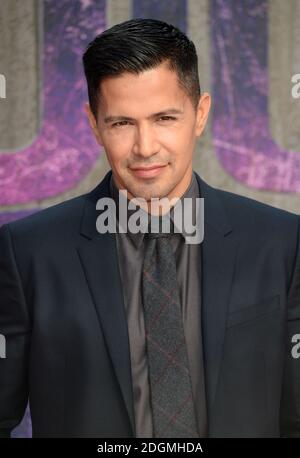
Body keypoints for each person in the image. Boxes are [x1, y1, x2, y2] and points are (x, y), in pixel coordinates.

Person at [0, 18, 299, 438]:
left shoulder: (283, 244)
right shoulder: (26, 252)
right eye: (122, 122)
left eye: (164, 118)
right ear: (94, 124)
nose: (145, 147)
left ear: (200, 114)